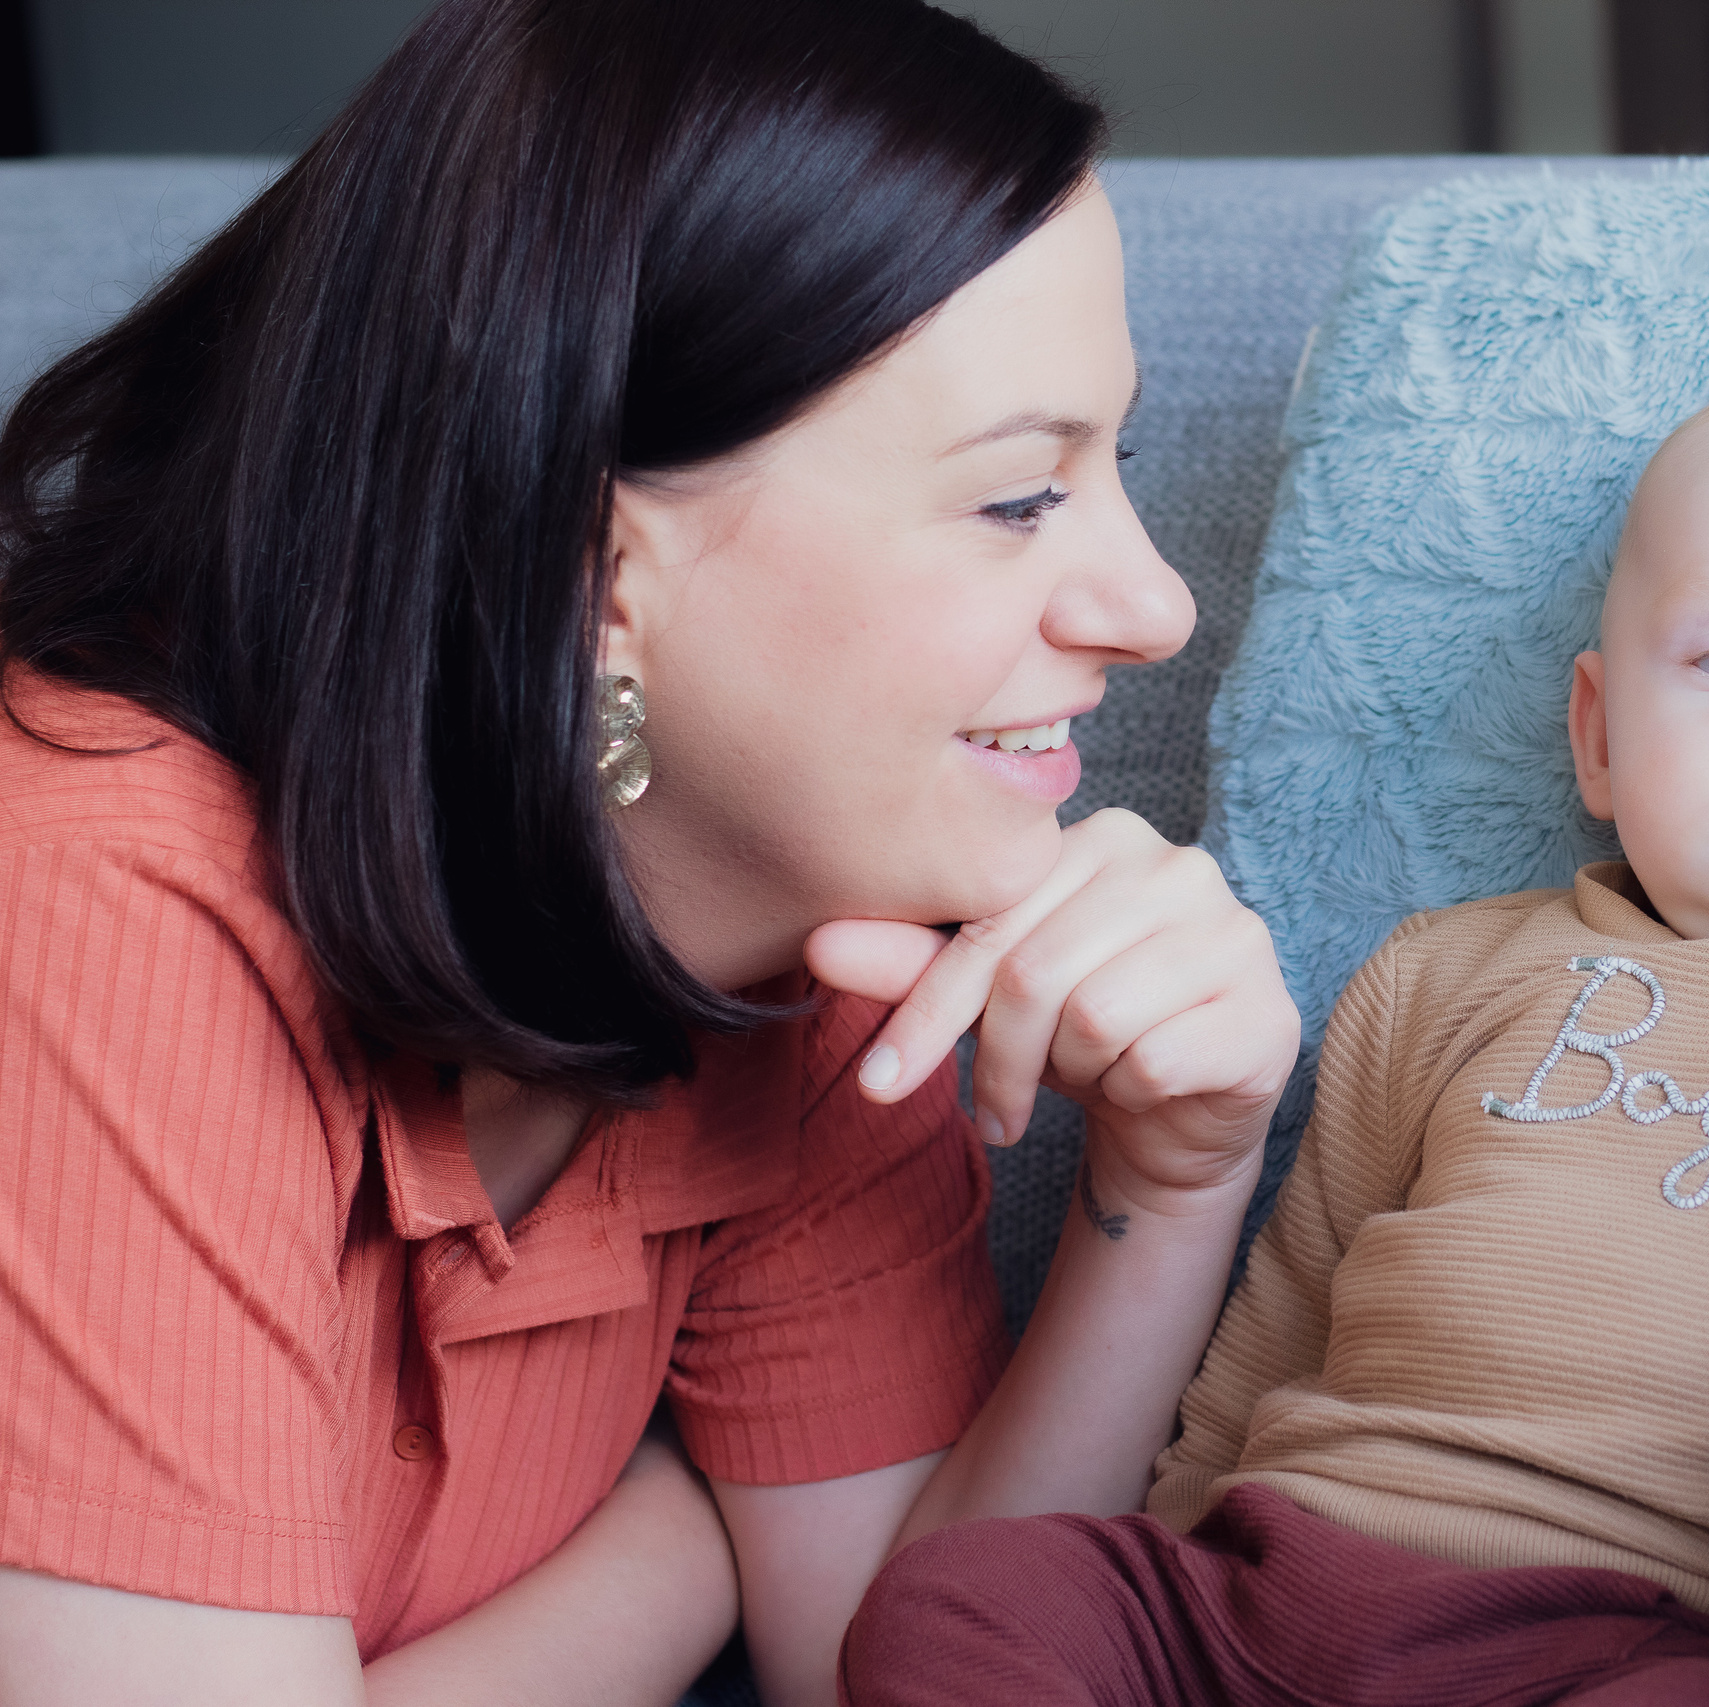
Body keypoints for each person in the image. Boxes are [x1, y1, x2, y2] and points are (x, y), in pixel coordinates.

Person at [0, 3, 1300, 1704]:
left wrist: (1171, 1185)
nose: (1157, 607)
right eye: (1016, 498)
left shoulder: (804, 925)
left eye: (1108, 464)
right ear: (594, 575)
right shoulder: (88, 893)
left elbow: (908, 1672)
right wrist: (685, 1533)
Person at [841, 353, 1709, 1707]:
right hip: (1271, 1594)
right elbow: (1284, 1321)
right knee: (962, 1599)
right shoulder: (1447, 974)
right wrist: (1189, 1558)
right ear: (1602, 736)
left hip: (1665, 1645)